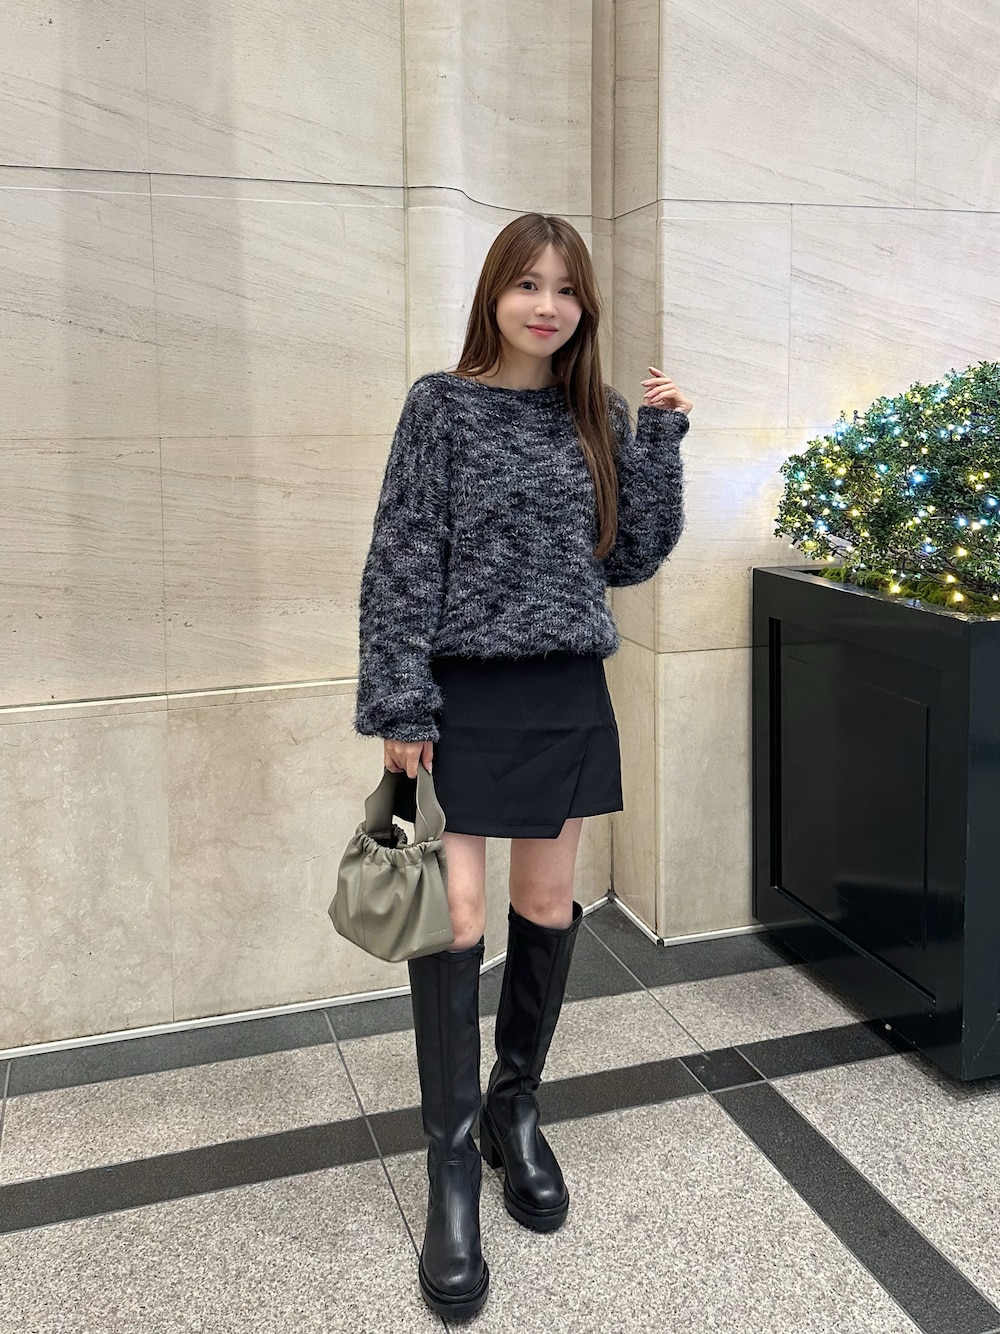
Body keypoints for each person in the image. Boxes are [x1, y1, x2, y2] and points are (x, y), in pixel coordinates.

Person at [353, 212, 692, 1320]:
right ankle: (452, 1162)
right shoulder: (440, 406)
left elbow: (629, 556)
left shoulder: (595, 413)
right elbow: (402, 554)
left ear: (584, 306)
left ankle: (515, 1109)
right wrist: (399, 698)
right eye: (527, 284)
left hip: (564, 692)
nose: (547, 306)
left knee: (546, 905)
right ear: (494, 294)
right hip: (461, 694)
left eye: (566, 289)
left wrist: (659, 444)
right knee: (455, 921)